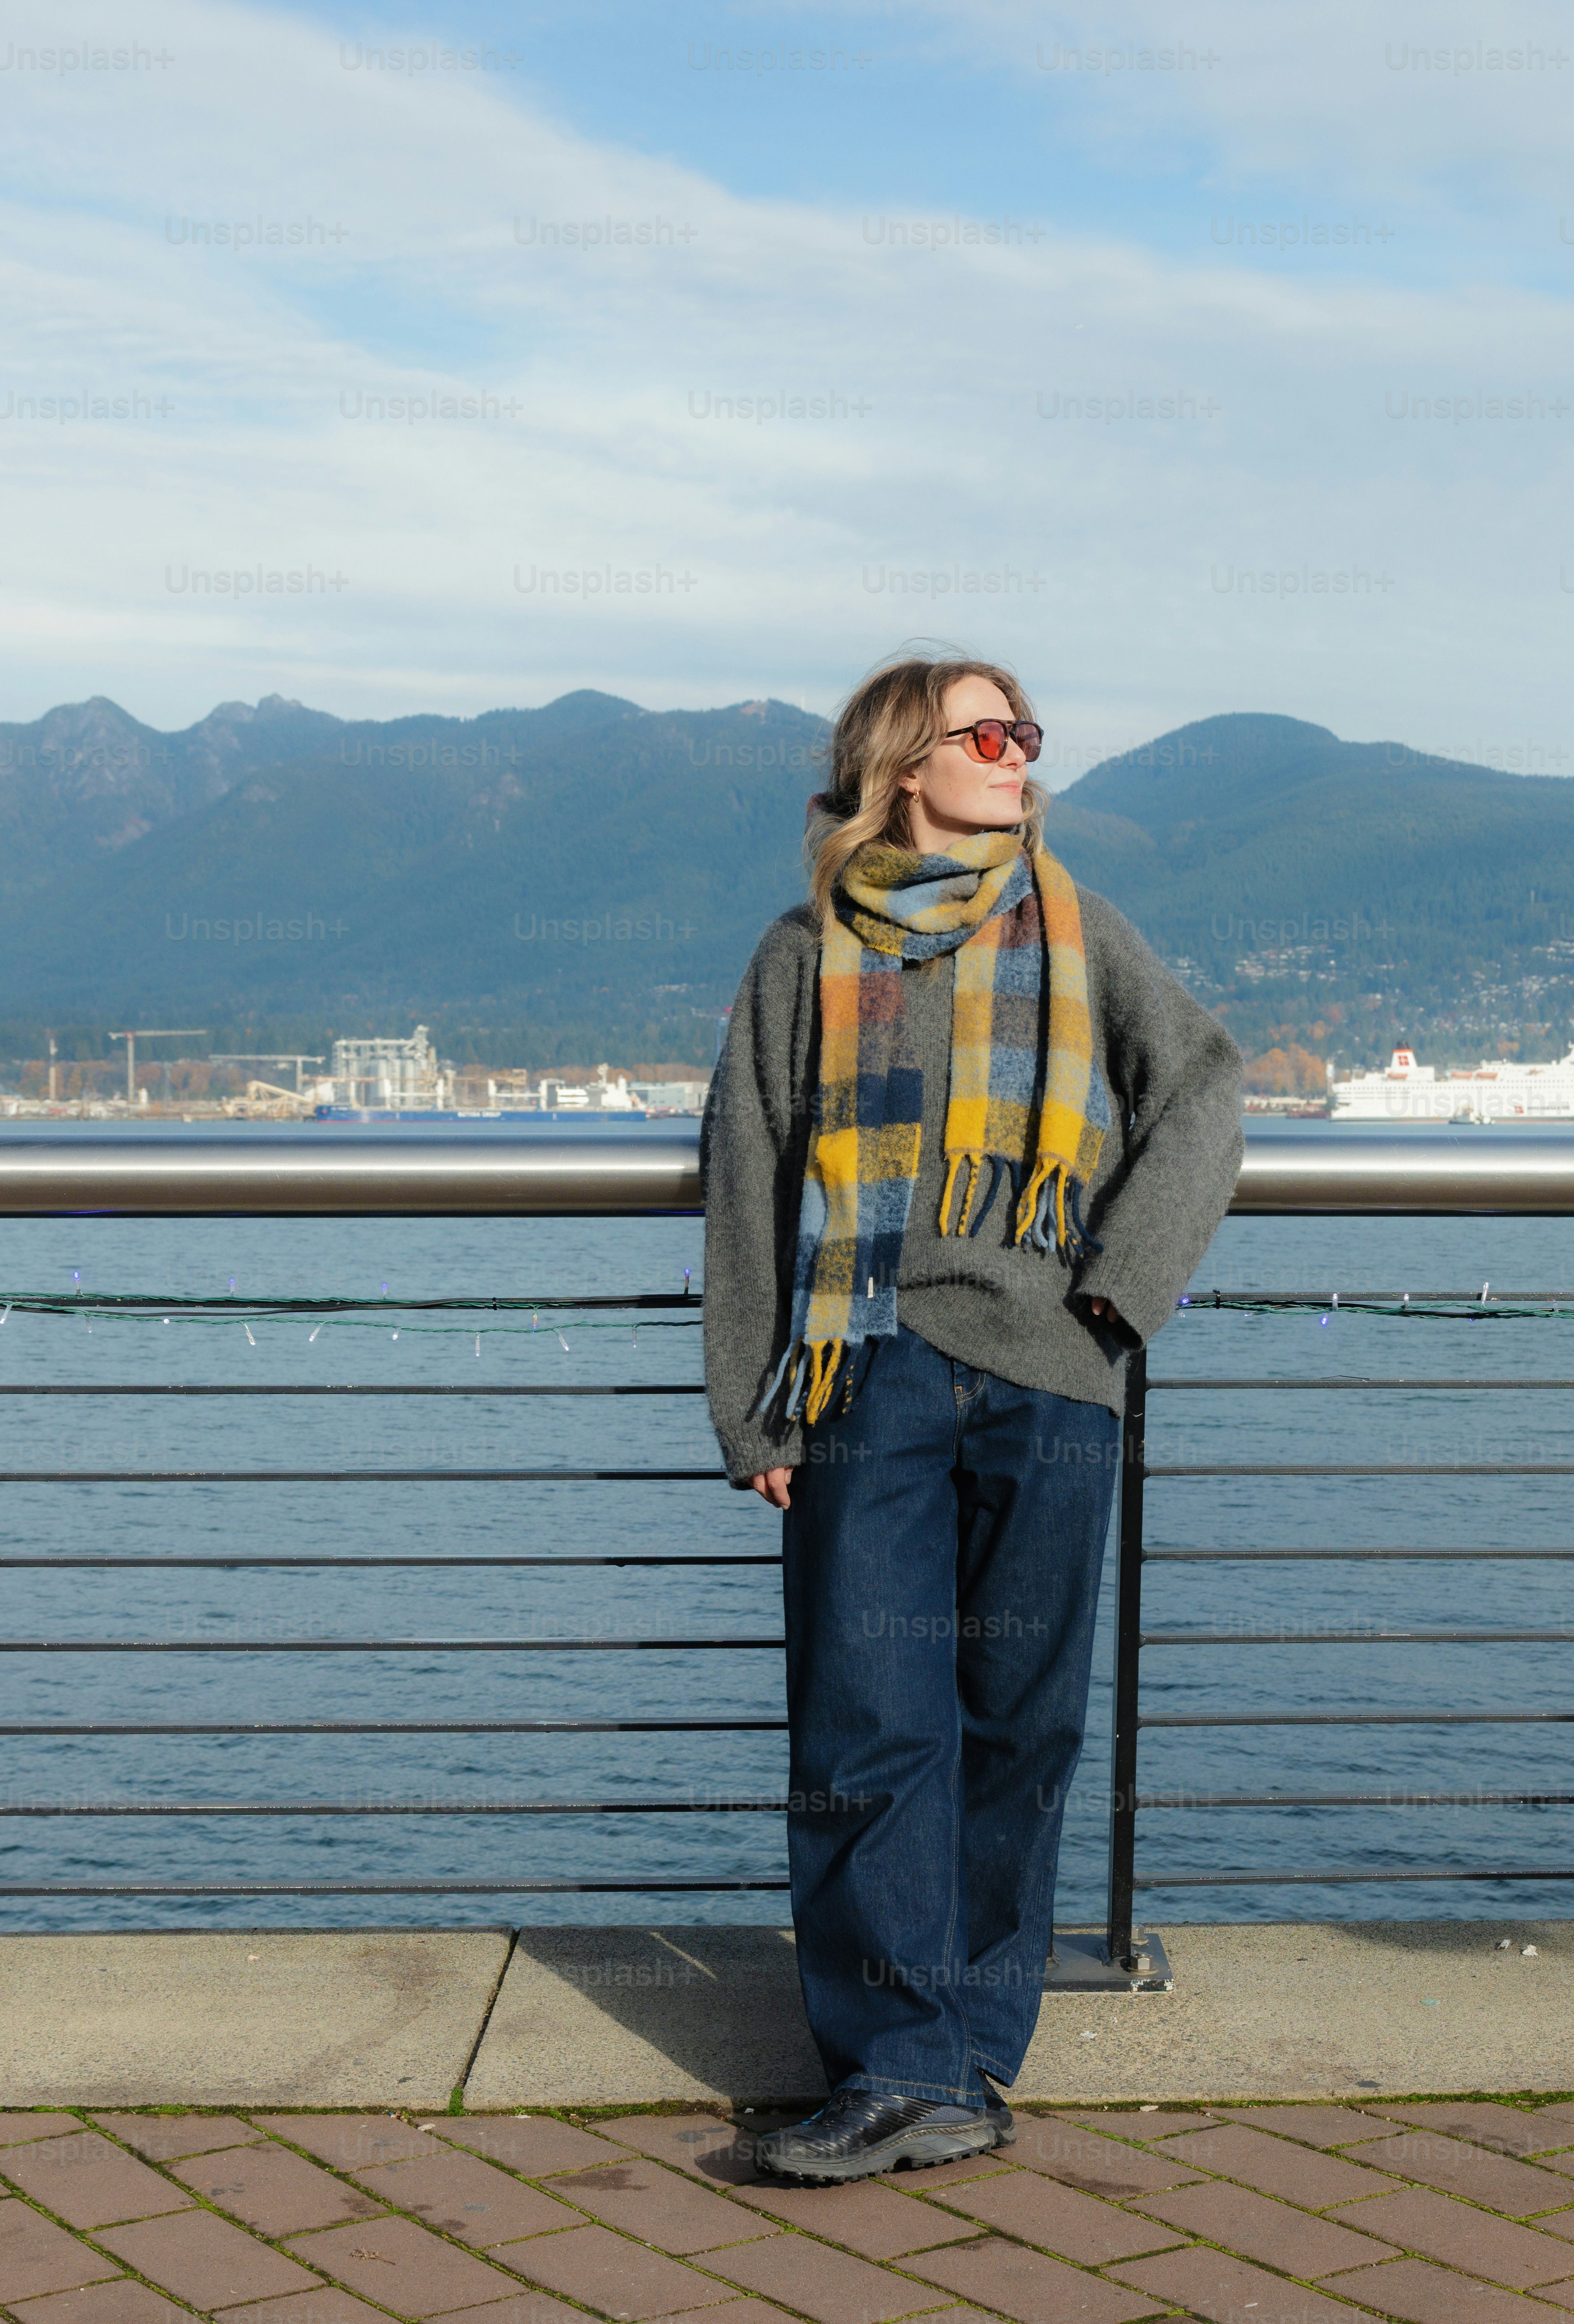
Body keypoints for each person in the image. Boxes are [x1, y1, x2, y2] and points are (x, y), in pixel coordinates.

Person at [700, 651, 1245, 2180]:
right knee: (865, 1727)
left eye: (1026, 735)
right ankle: (892, 2063)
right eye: (986, 733)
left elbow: (1204, 1088)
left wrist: (1116, 1296)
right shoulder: (803, 954)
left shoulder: (1070, 927)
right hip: (860, 1368)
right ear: (902, 763)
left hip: (1054, 1376)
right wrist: (755, 1416)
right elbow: (748, 1175)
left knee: (1020, 1725)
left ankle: (970, 2059)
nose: (1019, 756)